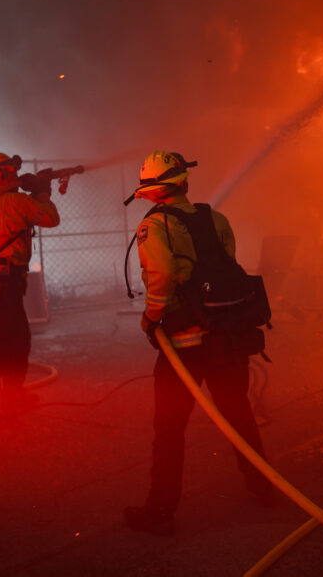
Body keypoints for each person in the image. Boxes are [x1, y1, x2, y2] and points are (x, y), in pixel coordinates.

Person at [123, 150, 274, 535]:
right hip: (226, 339)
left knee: (170, 429)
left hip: (183, 348)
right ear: (182, 183)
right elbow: (225, 270)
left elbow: (160, 278)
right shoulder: (216, 218)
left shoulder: (153, 227)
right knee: (238, 415)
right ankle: (264, 487)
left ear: (151, 189)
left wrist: (150, 320)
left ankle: (160, 512)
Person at [0, 152, 59, 430]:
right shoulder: (14, 201)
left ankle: (7, 398)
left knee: (11, 342)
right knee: (3, 346)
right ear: (7, 173)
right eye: (13, 171)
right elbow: (51, 218)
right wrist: (43, 192)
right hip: (4, 283)